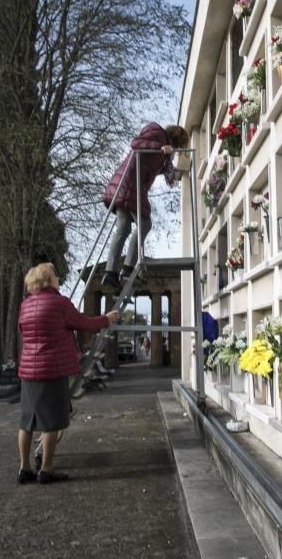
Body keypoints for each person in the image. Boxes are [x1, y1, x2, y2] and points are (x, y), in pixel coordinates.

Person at [17, 262, 119, 484]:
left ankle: (24, 469)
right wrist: (106, 319)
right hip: (52, 370)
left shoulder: (25, 306)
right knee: (52, 422)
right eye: (54, 275)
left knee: (27, 421)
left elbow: (23, 331)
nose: (58, 278)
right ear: (46, 280)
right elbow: (84, 323)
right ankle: (46, 469)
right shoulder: (60, 303)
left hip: (28, 371)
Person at [101, 122, 190, 290]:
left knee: (124, 227)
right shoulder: (156, 131)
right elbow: (136, 143)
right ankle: (127, 268)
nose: (175, 150)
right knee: (145, 224)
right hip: (130, 184)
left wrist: (168, 166)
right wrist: (160, 147)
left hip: (127, 184)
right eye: (177, 146)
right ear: (175, 139)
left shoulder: (162, 151)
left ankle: (110, 273)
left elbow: (155, 166)